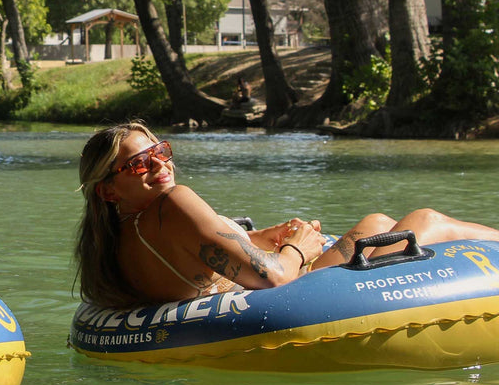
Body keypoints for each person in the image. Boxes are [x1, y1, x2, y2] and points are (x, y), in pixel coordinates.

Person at [75, 122, 499, 307]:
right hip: (284, 298)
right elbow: (272, 278)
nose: (160, 165)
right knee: (419, 220)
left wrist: (260, 239)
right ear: (108, 188)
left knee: (380, 225)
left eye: (161, 151)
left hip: (227, 301)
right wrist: (299, 246)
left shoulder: (118, 236)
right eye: (139, 163)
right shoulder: (173, 203)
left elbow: (191, 258)